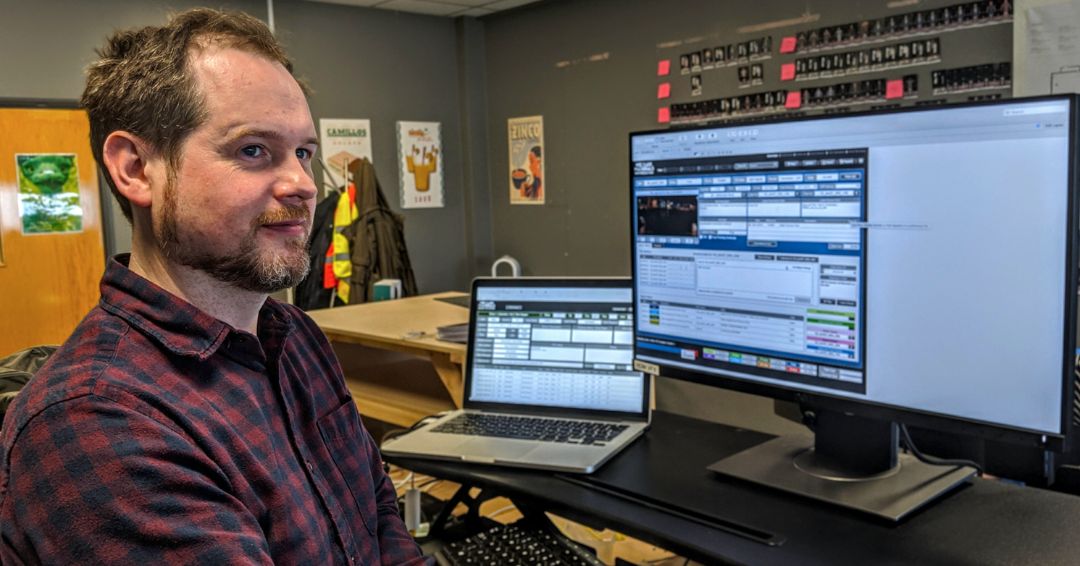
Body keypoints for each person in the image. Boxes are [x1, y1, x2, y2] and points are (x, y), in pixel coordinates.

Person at [0, 8, 432, 566]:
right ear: (135, 169)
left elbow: (376, 512)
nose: (303, 184)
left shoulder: (293, 333)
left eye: (304, 152)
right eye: (253, 150)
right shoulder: (94, 420)